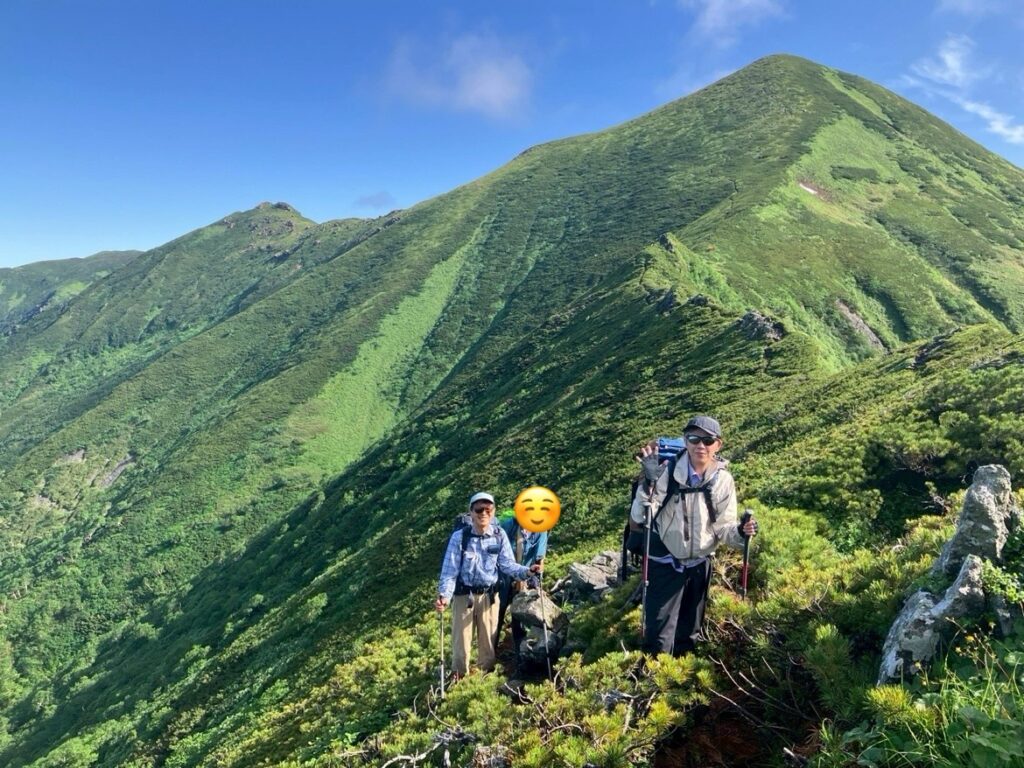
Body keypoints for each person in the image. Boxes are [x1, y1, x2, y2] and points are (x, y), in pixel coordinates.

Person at [631, 415, 758, 656]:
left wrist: (741, 533)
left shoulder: (722, 480)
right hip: (665, 562)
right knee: (658, 636)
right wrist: (647, 484)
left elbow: (724, 528)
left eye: (708, 440)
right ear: (685, 441)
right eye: (693, 438)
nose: (701, 445)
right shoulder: (665, 473)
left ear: (718, 445)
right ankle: (656, 684)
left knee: (689, 633)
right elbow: (641, 516)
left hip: (700, 564)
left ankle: (679, 682)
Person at [435, 492, 542, 678]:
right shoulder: (459, 537)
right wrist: (444, 596)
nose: (483, 513)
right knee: (461, 646)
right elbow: (449, 571)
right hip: (463, 597)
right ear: (471, 512)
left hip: (490, 597)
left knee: (488, 647)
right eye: (479, 509)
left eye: (488, 509)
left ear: (493, 512)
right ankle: (459, 680)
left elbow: (507, 564)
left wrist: (527, 571)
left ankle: (484, 680)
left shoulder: (499, 536)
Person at [496, 509, 548, 668]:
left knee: (520, 618)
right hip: (504, 577)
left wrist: (537, 572)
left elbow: (540, 557)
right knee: (498, 612)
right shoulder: (508, 525)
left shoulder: (541, 530)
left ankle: (520, 655)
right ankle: (491, 652)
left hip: (527, 576)